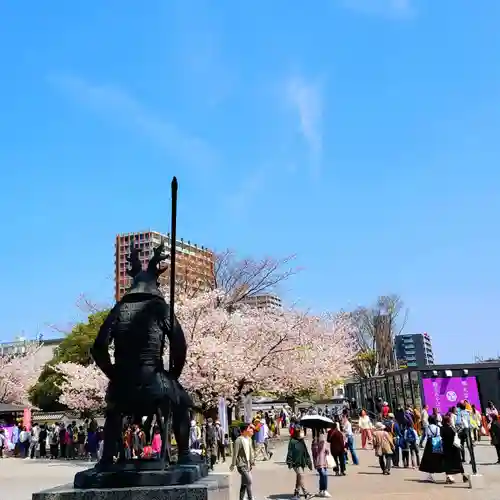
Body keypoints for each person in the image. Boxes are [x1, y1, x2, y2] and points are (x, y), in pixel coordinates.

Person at [286, 426, 313, 500]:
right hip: (295, 462)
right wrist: (289, 461)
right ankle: (306, 493)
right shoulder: (292, 441)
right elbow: (290, 451)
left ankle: (296, 493)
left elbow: (305, 452)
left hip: (301, 461)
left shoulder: (302, 441)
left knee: (299, 477)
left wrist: (309, 462)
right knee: (300, 475)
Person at [441, 415, 468, 484]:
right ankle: (463, 475)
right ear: (448, 421)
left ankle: (449, 477)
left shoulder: (442, 429)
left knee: (448, 463)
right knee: (458, 462)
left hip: (446, 448)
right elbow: (457, 436)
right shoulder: (452, 428)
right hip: (454, 447)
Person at [230, 425, 255, 500]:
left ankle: (241, 498)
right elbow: (235, 453)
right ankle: (250, 498)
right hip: (241, 465)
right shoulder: (238, 440)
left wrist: (252, 461)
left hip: (247, 464)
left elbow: (250, 451)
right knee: (249, 481)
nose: (250, 429)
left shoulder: (249, 439)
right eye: (248, 428)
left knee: (244, 484)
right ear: (244, 430)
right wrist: (233, 464)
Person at [419, 415, 444, 482]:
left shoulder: (427, 427)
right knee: (436, 458)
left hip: (429, 443)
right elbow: (438, 436)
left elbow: (426, 435)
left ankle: (429, 474)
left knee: (428, 458)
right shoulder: (437, 428)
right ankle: (435, 471)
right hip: (435, 443)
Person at [312, 433, 331, 497]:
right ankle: (324, 490)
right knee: (324, 475)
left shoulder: (324, 441)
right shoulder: (315, 442)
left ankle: (322, 490)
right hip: (318, 462)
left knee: (323, 475)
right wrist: (317, 446)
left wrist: (326, 450)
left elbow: (327, 450)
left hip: (324, 461)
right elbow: (314, 453)